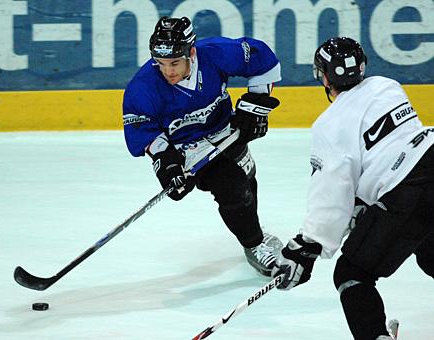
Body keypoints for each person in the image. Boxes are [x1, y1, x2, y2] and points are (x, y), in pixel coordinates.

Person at [271, 37, 434, 339]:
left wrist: (307, 245)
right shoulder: (387, 86)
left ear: (323, 76)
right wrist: (363, 202)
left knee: (351, 274)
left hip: (409, 190)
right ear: (362, 67)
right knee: (429, 250)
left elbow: (332, 188)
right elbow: (384, 147)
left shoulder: (329, 123)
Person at [122, 16, 283, 276]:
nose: (168, 71)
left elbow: (262, 59)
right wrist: (167, 164)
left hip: (225, 131)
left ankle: (252, 230)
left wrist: (256, 104)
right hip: (187, 149)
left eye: (174, 63)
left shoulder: (215, 54)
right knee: (231, 185)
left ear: (191, 52)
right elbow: (145, 132)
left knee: (247, 179)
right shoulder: (143, 88)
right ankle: (254, 244)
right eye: (161, 64)